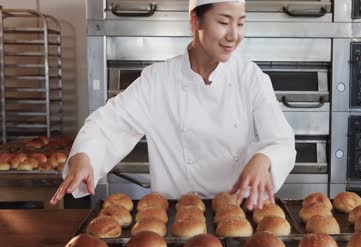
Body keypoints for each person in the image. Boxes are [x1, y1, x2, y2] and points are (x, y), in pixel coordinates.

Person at [50, 0, 296, 210]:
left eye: (240, 23)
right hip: (174, 216)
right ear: (195, 21)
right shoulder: (159, 80)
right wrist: (84, 156)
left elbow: (282, 141)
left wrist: (264, 158)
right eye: (223, 22)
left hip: (237, 213)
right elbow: (110, 124)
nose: (234, 35)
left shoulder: (250, 77)